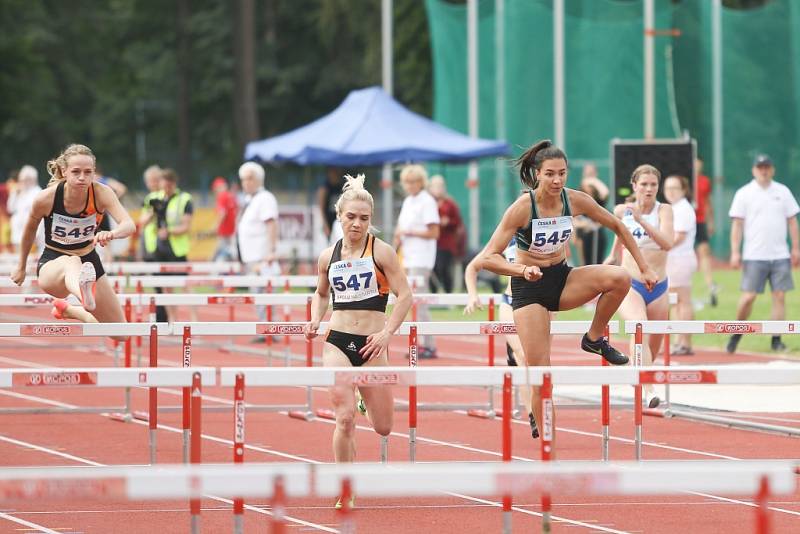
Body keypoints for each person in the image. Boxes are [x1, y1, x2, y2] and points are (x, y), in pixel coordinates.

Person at [477, 140, 657, 454]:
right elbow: (488, 258)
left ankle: (595, 337)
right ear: (537, 174)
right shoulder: (522, 207)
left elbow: (617, 225)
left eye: (562, 173)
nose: (557, 180)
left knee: (619, 278)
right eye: (550, 174)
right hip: (529, 288)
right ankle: (548, 443)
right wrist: (521, 271)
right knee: (542, 372)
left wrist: (644, 267)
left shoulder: (574, 200)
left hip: (561, 278)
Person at [304, 174, 412, 508]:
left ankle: (366, 402)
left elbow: (405, 296)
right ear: (339, 217)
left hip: (371, 345)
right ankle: (345, 487)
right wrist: (315, 319)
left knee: (383, 428)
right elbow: (321, 295)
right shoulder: (328, 256)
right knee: (344, 418)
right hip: (337, 341)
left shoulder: (382, 252)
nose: (357, 224)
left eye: (364, 218)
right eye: (351, 217)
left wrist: (387, 333)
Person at [9, 144, 135, 340]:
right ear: (64, 171)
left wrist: (112, 233)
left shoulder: (102, 193)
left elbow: (129, 225)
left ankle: (74, 310)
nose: (82, 177)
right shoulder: (46, 198)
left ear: (94, 173)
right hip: (53, 263)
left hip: (89, 261)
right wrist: (21, 266)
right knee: (72, 262)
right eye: (76, 172)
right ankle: (85, 295)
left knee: (121, 334)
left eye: (88, 172)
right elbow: (29, 231)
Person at [605, 165, 674, 408]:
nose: (648, 189)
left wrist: (642, 220)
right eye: (644, 184)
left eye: (653, 185)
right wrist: (613, 255)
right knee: (639, 330)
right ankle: (649, 390)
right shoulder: (622, 210)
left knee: (652, 349)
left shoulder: (664, 210)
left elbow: (667, 243)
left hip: (659, 285)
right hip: (630, 283)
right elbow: (619, 232)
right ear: (634, 186)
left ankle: (641, 377)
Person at [464, 236, 539, 438]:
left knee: (535, 362)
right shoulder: (507, 239)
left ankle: (539, 408)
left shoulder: (546, 239)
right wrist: (473, 295)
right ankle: (533, 415)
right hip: (510, 302)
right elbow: (473, 267)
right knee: (523, 356)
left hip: (538, 306)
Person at [727, 154, 800, 353]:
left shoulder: (782, 191)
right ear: (754, 170)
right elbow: (737, 225)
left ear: (772, 169)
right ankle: (736, 333)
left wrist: (795, 248)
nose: (764, 170)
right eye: (760, 167)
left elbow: (792, 221)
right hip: (754, 255)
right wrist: (735, 251)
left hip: (780, 255)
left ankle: (776, 339)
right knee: (749, 297)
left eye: (767, 167)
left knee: (779, 296)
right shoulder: (744, 193)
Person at [394, 165, 440, 358]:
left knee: (420, 302)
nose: (411, 185)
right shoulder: (407, 202)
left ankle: (428, 344)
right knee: (412, 302)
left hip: (421, 258)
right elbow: (399, 230)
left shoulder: (427, 201)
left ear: (422, 182)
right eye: (407, 182)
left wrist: (410, 232)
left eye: (414, 181)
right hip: (408, 257)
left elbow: (434, 232)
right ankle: (422, 342)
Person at [138, 168, 194, 322]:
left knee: (184, 284)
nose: (165, 189)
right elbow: (142, 222)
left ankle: (195, 320)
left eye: (169, 185)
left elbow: (186, 226)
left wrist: (169, 232)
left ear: (174, 184)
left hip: (177, 249)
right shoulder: (153, 198)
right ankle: (172, 321)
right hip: (157, 248)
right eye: (163, 185)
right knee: (165, 287)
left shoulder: (184, 199)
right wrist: (151, 215)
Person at [236, 161, 281, 337]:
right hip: (251, 257)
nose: (245, 182)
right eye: (243, 179)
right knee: (257, 294)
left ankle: (270, 331)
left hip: (262, 257)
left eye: (249, 179)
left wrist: (271, 251)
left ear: (258, 179)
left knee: (266, 294)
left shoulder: (265, 198)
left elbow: (271, 224)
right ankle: (265, 330)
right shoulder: (249, 199)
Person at [664, 175, 697, 355]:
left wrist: (661, 246)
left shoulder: (683, 209)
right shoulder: (674, 208)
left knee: (682, 301)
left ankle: (685, 342)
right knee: (676, 302)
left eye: (675, 188)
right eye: (668, 188)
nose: (670, 191)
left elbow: (680, 236)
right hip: (674, 259)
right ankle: (680, 340)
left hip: (680, 259)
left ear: (683, 190)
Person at [428, 175, 464, 293]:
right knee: (432, 269)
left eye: (440, 186)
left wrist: (448, 222)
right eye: (435, 186)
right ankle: (433, 295)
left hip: (446, 243)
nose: (438, 189)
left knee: (444, 268)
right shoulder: (428, 202)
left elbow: (458, 222)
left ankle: (448, 295)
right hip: (431, 243)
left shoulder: (450, 204)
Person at [573, 163, 609, 265]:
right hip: (583, 234)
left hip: (596, 233)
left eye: (591, 173)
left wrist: (593, 181)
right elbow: (574, 217)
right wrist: (575, 233)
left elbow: (605, 193)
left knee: (597, 262)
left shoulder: (598, 195)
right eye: (587, 173)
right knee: (584, 264)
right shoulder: (579, 193)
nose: (588, 176)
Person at [694, 158, 718, 306]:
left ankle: (711, 285)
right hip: (685, 222)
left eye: (699, 162)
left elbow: (708, 202)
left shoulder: (704, 181)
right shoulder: (684, 179)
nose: (697, 165)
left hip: (700, 221)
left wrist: (711, 221)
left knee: (704, 251)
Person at [7, 165, 44, 254]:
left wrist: (37, 234)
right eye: (20, 180)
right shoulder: (20, 192)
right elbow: (10, 209)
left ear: (31, 180)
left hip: (31, 236)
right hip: (17, 235)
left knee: (29, 263)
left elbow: (40, 217)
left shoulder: (37, 193)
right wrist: (14, 193)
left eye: (23, 180)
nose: (21, 182)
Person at [211, 176, 238, 262]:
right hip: (232, 230)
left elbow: (222, 213)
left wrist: (216, 227)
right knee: (230, 252)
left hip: (225, 231)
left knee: (222, 253)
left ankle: (215, 271)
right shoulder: (231, 196)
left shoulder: (222, 196)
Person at [317, 168, 345, 245]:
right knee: (330, 244)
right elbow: (321, 208)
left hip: (340, 219)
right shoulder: (325, 188)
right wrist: (325, 224)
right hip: (329, 219)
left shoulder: (342, 186)